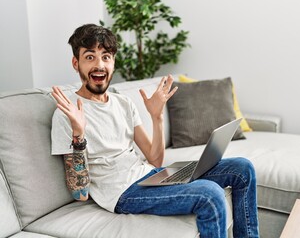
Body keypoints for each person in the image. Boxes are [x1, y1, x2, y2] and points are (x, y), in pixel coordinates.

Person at [51, 23, 259, 238]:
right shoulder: (68, 113)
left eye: (106, 57)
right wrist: (78, 134)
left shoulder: (122, 103)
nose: (99, 65)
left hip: (150, 175)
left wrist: (156, 116)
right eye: (90, 57)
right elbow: (80, 193)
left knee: (242, 169)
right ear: (76, 63)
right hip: (122, 193)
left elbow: (155, 160)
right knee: (210, 194)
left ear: (113, 62)